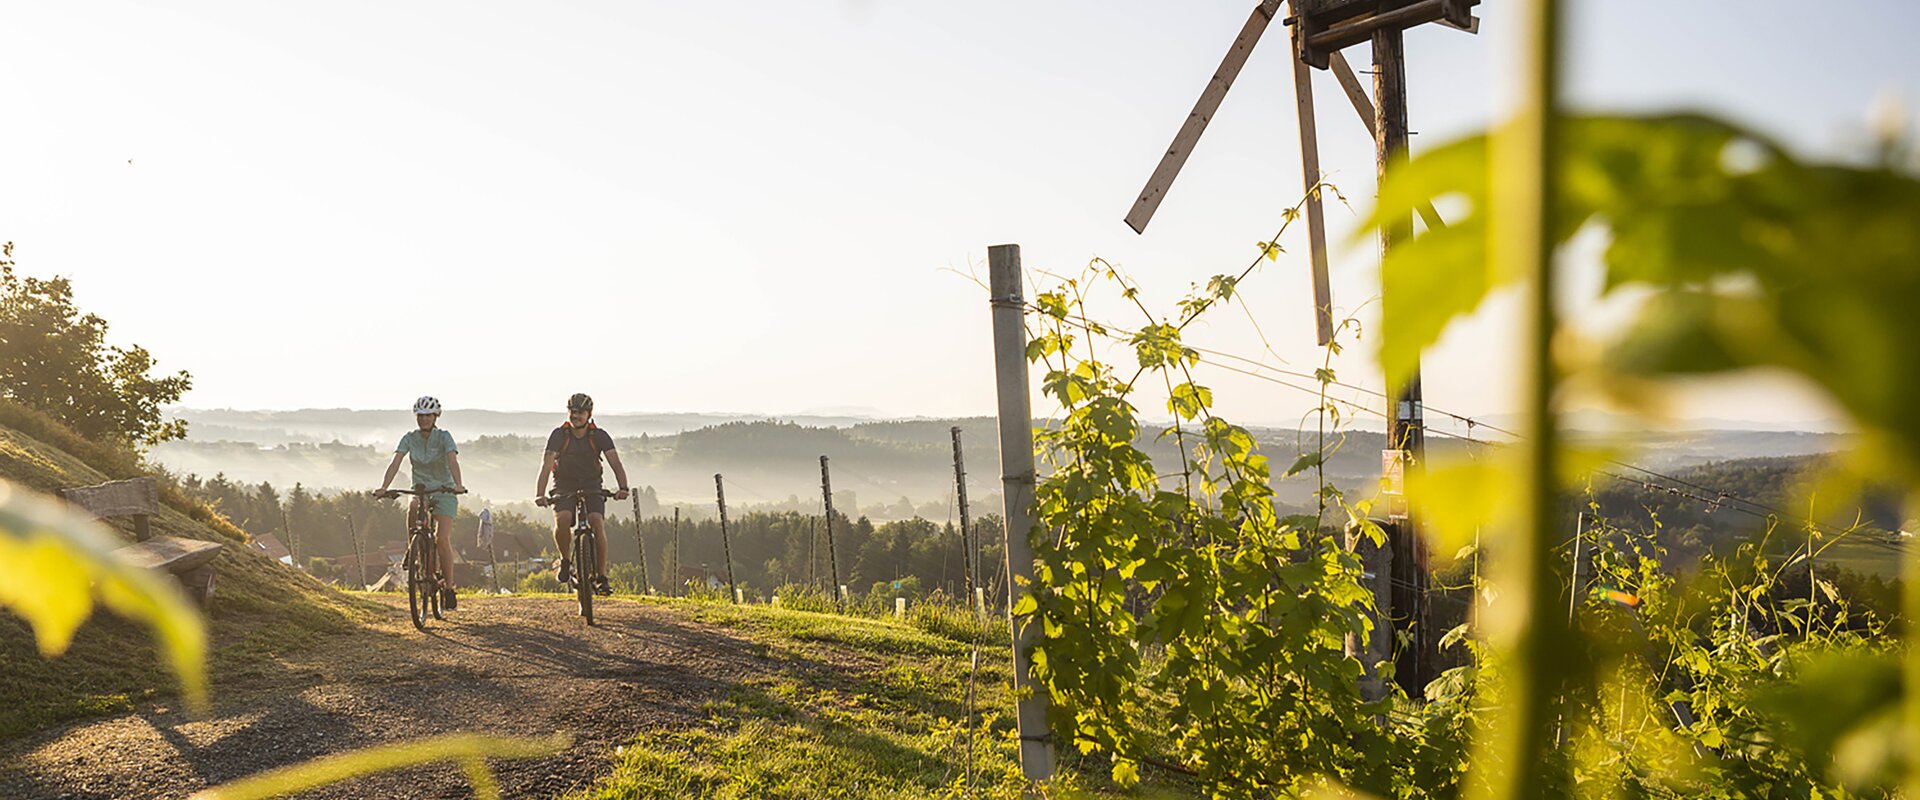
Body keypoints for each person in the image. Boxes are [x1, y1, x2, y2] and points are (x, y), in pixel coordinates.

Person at [534, 393, 631, 596]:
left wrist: (623, 487)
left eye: (580, 412)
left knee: (597, 522)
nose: (575, 416)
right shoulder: (559, 435)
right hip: (564, 484)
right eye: (572, 411)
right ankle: (565, 560)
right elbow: (546, 466)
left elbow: (615, 463)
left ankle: (601, 577)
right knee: (563, 519)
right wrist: (540, 494)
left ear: (589, 414)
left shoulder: (599, 436)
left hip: (591, 483)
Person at [376, 395, 466, 610]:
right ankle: (412, 547)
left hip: (444, 489)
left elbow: (452, 460)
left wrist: (458, 484)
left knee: (442, 539)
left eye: (428, 416)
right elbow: (396, 461)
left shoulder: (444, 437)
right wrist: (384, 487)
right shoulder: (409, 438)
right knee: (414, 505)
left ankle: (449, 588)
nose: (424, 419)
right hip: (421, 489)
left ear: (436, 416)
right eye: (420, 416)